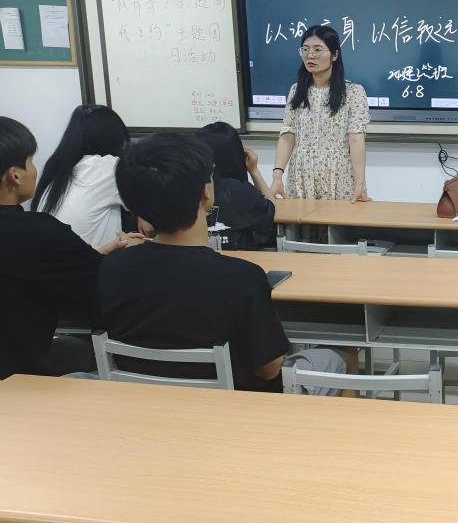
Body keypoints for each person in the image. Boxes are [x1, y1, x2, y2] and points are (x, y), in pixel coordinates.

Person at [100, 133, 345, 393]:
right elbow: (269, 369)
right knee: (337, 359)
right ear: (205, 191)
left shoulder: (112, 268)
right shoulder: (241, 277)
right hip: (241, 407)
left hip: (145, 400)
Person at [0, 116, 141, 380]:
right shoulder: (39, 232)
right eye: (30, 161)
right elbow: (101, 285)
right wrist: (130, 254)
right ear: (14, 175)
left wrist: (98, 253)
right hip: (20, 376)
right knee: (87, 351)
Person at [270, 24, 371, 204]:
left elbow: (356, 139)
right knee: (299, 221)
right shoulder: (296, 91)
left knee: (339, 221)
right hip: (301, 174)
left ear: (334, 55)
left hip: (339, 174)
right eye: (305, 49)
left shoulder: (353, 92)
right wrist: (277, 176)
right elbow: (287, 135)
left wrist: (360, 183)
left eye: (318, 49)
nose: (310, 55)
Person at [31, 104, 130, 247]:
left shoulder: (57, 167)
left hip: (50, 257)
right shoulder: (106, 168)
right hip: (89, 259)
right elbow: (150, 200)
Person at [196, 122, 276, 251]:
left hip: (190, 260)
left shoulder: (182, 189)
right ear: (236, 155)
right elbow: (271, 212)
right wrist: (254, 171)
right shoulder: (242, 192)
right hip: (235, 261)